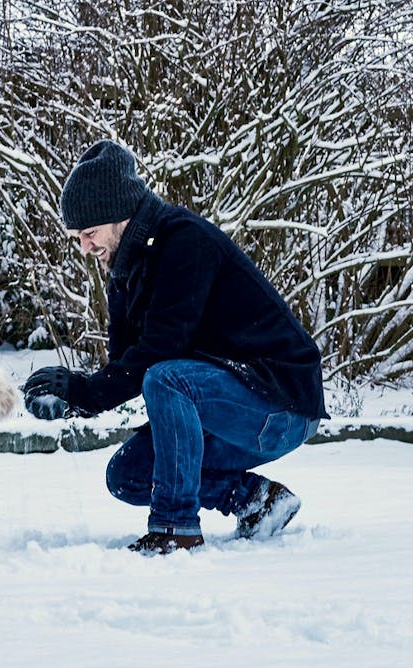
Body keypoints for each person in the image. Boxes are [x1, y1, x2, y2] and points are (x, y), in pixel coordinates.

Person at [23, 140, 329, 555]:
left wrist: (87, 393)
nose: (85, 248)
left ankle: (176, 527)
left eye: (89, 234)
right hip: (229, 407)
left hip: (281, 404)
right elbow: (128, 365)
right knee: (129, 474)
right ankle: (258, 502)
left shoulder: (184, 242)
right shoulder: (125, 269)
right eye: (77, 238)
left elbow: (161, 353)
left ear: (120, 216)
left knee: (167, 378)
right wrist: (75, 396)